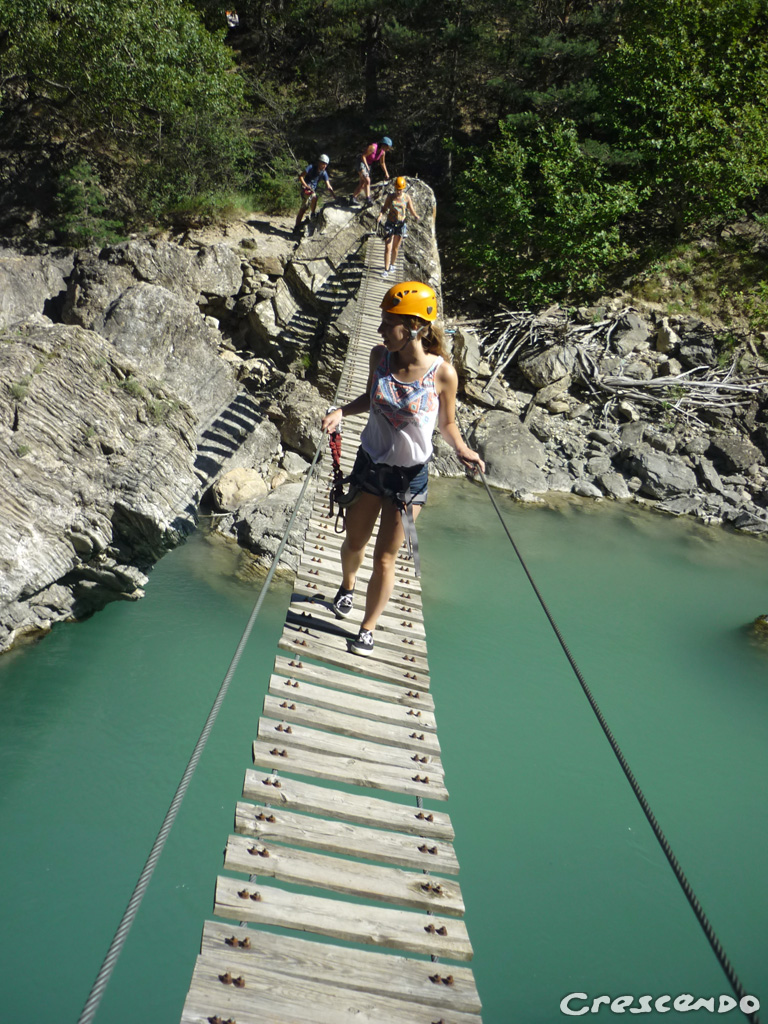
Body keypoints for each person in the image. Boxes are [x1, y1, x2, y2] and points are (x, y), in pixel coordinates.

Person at [320, 281, 485, 657]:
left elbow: (447, 423)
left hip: (410, 481)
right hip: (369, 467)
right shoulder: (379, 357)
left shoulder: (443, 374)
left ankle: (367, 627)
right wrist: (341, 412)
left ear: (414, 326)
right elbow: (369, 396)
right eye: (380, 321)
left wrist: (462, 449)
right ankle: (347, 586)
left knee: (386, 557)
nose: (380, 330)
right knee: (354, 543)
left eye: (387, 322)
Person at [377, 176, 419, 278]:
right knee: (388, 248)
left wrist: (416, 216)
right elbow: (384, 208)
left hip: (400, 225)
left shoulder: (406, 198)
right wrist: (380, 216)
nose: (398, 191)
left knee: (395, 248)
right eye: (397, 189)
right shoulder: (390, 197)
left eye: (400, 190)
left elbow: (411, 209)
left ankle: (392, 265)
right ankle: (386, 269)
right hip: (390, 224)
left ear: (403, 189)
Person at [294, 155, 335, 235]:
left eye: (326, 164)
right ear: (319, 162)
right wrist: (305, 185)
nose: (325, 166)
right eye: (323, 163)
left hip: (312, 191)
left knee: (313, 197)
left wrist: (334, 196)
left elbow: (328, 185)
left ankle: (312, 214)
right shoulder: (311, 167)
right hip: (305, 190)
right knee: (303, 209)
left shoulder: (324, 173)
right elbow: (301, 177)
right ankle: (297, 227)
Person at [351, 137, 392, 205]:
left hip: (368, 165)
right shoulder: (373, 147)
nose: (388, 149)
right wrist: (366, 166)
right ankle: (368, 199)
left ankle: (353, 198)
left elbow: (382, 163)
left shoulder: (382, 153)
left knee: (362, 184)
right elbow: (363, 156)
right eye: (387, 147)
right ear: (383, 145)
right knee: (367, 180)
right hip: (361, 162)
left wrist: (386, 173)